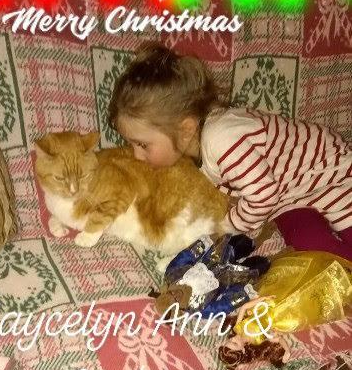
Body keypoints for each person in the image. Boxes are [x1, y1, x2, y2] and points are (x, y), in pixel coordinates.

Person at [108, 43, 352, 261]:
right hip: (288, 199)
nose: (137, 155)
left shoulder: (222, 139)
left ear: (185, 129)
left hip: (329, 175)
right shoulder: (193, 146)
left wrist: (226, 226)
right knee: (318, 254)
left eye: (142, 145)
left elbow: (263, 196)